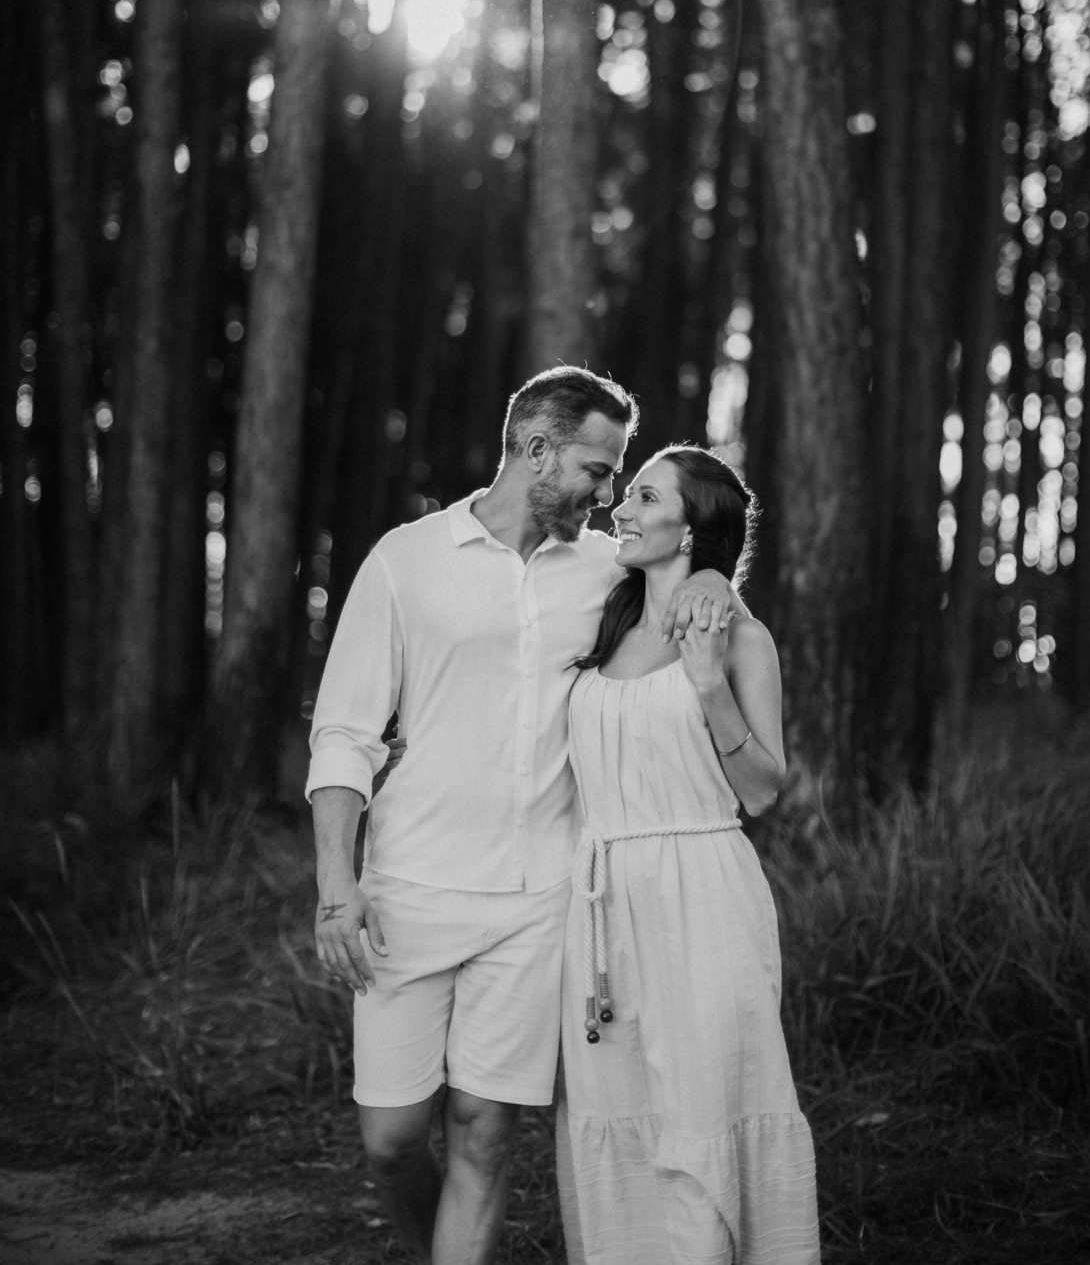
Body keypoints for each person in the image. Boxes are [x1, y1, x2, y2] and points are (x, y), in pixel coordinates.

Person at [306, 368, 738, 1265]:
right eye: (595, 467)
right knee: (391, 1139)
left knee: (484, 1135)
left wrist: (717, 589)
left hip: (539, 902)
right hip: (407, 897)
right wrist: (336, 889)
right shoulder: (406, 559)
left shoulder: (604, 568)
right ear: (536, 450)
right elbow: (344, 736)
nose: (609, 493)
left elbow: (683, 594)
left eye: (618, 475)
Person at [557, 446, 821, 1265]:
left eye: (643, 497)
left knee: (707, 1106)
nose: (619, 509)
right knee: (615, 1104)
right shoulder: (601, 612)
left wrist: (708, 688)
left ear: (689, 527)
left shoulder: (742, 639)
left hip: (702, 892)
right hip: (600, 898)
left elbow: (764, 791)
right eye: (624, 495)